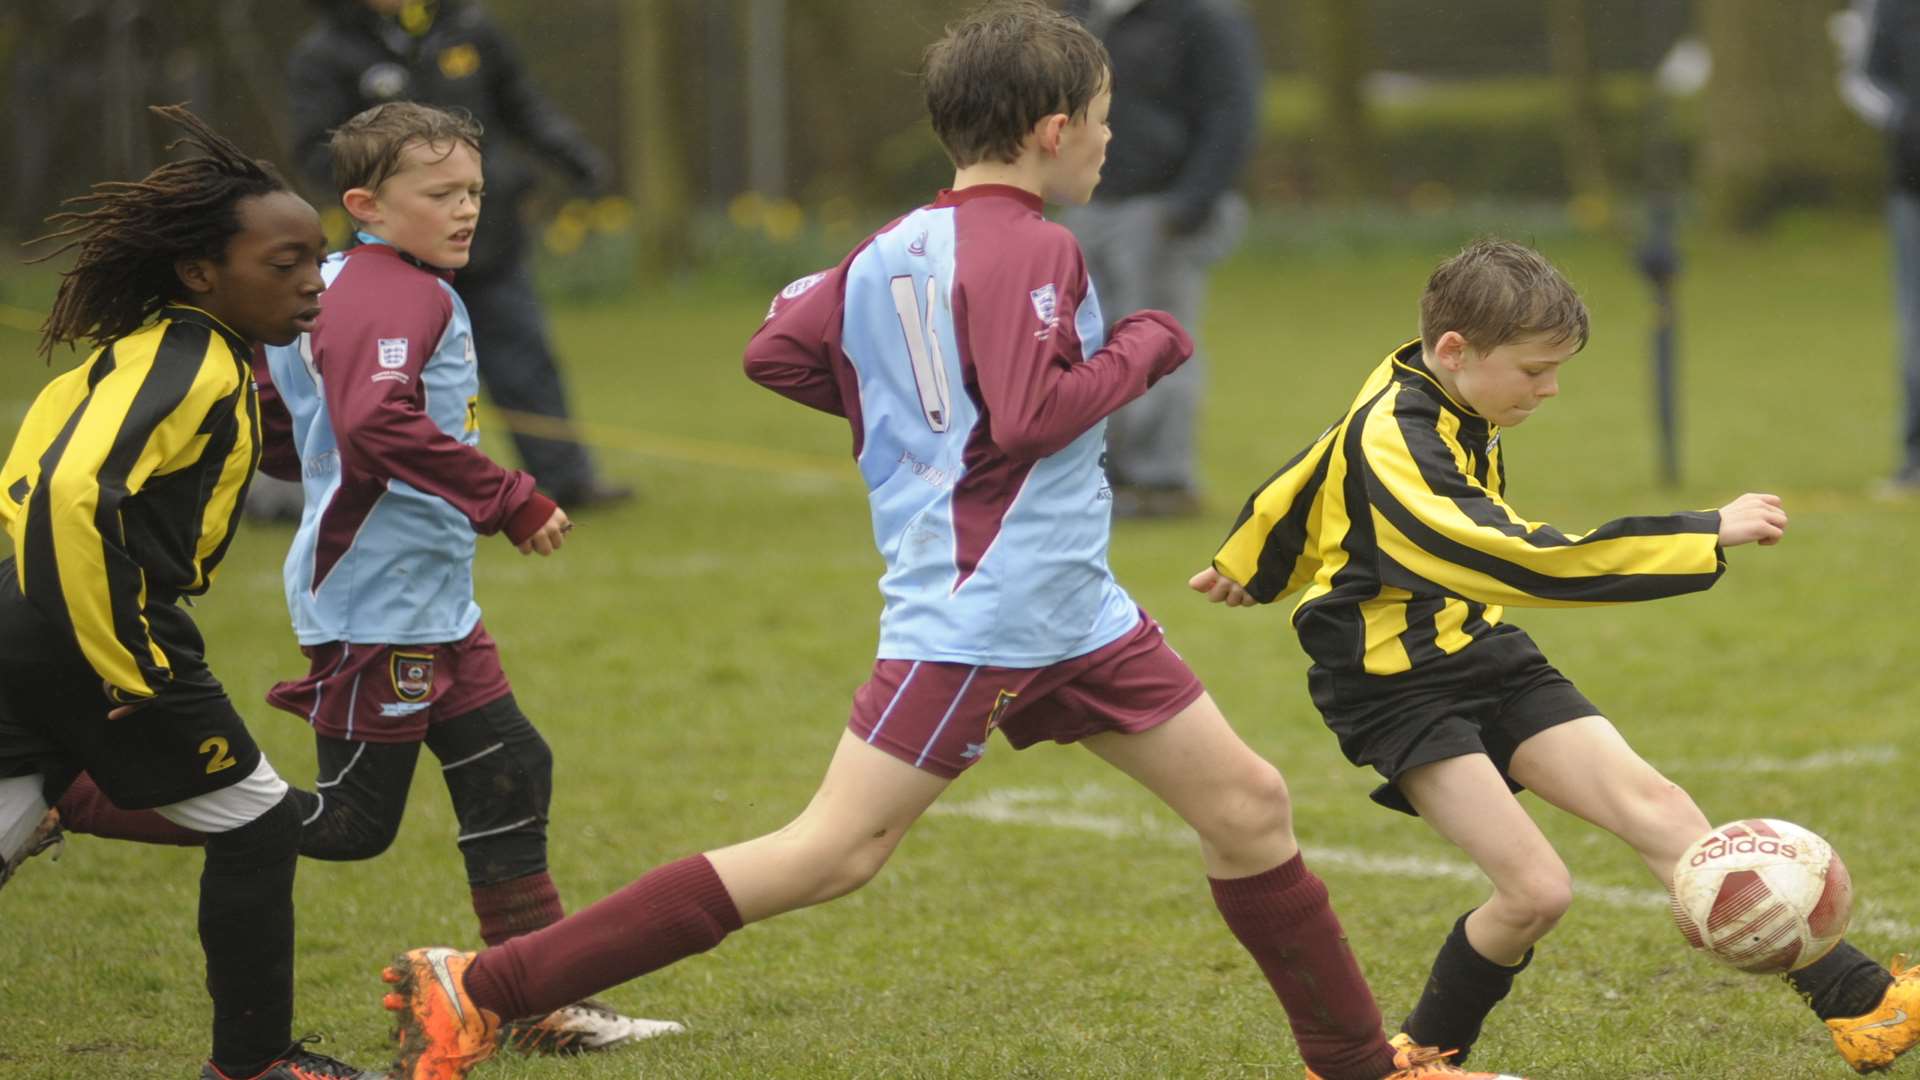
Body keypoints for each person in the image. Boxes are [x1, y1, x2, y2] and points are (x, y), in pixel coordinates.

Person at [370, 6, 1514, 1080]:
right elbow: (1027, 417)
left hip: (1071, 605)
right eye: (1105, 121)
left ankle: (1363, 1065)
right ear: (1056, 131)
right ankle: (485, 984)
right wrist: (1152, 344)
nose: (1111, 142)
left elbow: (777, 348)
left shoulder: (889, 246)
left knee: (1249, 805)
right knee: (832, 854)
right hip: (983, 610)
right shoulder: (1040, 250)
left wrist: (918, 424)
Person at [33, 99, 683, 1059]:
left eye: (474, 190)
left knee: (512, 771)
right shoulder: (400, 292)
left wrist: (319, 454)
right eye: (440, 193)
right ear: (366, 202)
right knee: (349, 825)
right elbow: (376, 421)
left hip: (423, 600)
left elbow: (293, 418)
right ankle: (74, 797)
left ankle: (535, 998)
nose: (466, 210)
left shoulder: (334, 281)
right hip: (379, 607)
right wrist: (508, 496)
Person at [1192, 238, 1919, 1073]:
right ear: (1458, 350)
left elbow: (1308, 468)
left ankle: (1864, 1004)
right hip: (1393, 686)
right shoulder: (1397, 443)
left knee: (1668, 817)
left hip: (1480, 646)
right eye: (1535, 370)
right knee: (1536, 892)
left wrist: (1249, 562)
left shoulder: (1424, 384)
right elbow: (1521, 558)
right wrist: (1698, 532)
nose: (1550, 388)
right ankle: (1418, 1056)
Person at [0, 104, 381, 1080]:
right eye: (283, 263)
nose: (312, 283)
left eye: (318, 259)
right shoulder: (193, 369)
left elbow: (27, 478)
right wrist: (124, 659)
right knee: (258, 825)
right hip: (94, 642)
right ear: (200, 272)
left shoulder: (152, 355)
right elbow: (70, 497)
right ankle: (255, 1063)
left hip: (28, 625)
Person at [280, 0, 628, 508]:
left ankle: (567, 478)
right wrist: (392, 172)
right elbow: (315, 149)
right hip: (397, 257)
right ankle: (350, 489)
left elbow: (523, 105)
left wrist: (570, 155)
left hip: (490, 246)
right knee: (391, 379)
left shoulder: (468, 28)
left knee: (525, 360)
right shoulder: (326, 52)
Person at [1058, 0, 1260, 519]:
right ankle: (1108, 474)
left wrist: (1189, 205)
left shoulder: (1200, 17)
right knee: (1087, 342)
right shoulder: (1079, 13)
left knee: (1156, 343)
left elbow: (1232, 110)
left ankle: (1162, 482)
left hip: (1162, 208)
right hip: (1088, 205)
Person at [1860, 0, 1920, 495]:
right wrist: (1905, 119)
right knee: (1916, 327)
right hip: (1914, 183)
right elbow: (1867, 79)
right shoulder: (1893, 8)